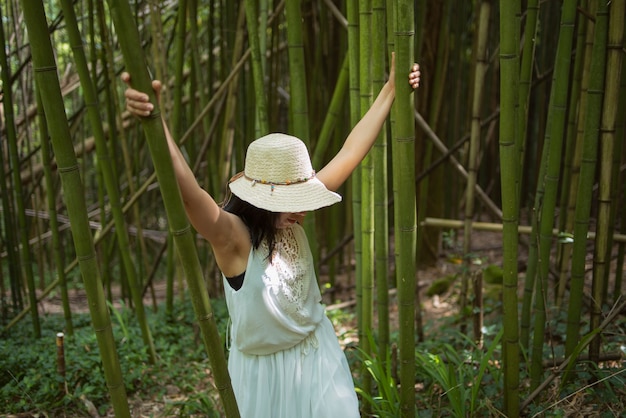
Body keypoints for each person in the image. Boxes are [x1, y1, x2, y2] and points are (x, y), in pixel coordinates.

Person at [122, 54, 420, 417]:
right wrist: (156, 123)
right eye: (295, 200)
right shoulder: (232, 237)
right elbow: (189, 194)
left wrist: (391, 88)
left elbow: (351, 150)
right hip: (263, 376)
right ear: (264, 201)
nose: (304, 207)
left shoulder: (289, 215)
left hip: (316, 353)